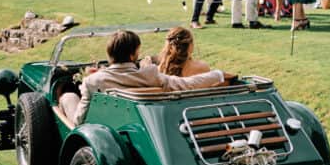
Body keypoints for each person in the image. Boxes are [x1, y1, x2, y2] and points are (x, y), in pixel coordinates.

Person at [61, 30, 226, 125]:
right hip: (139, 125)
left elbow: (80, 120)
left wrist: (84, 86)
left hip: (102, 125)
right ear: (133, 55)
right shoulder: (151, 74)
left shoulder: (93, 80)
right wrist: (218, 74)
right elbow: (187, 84)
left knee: (67, 96)